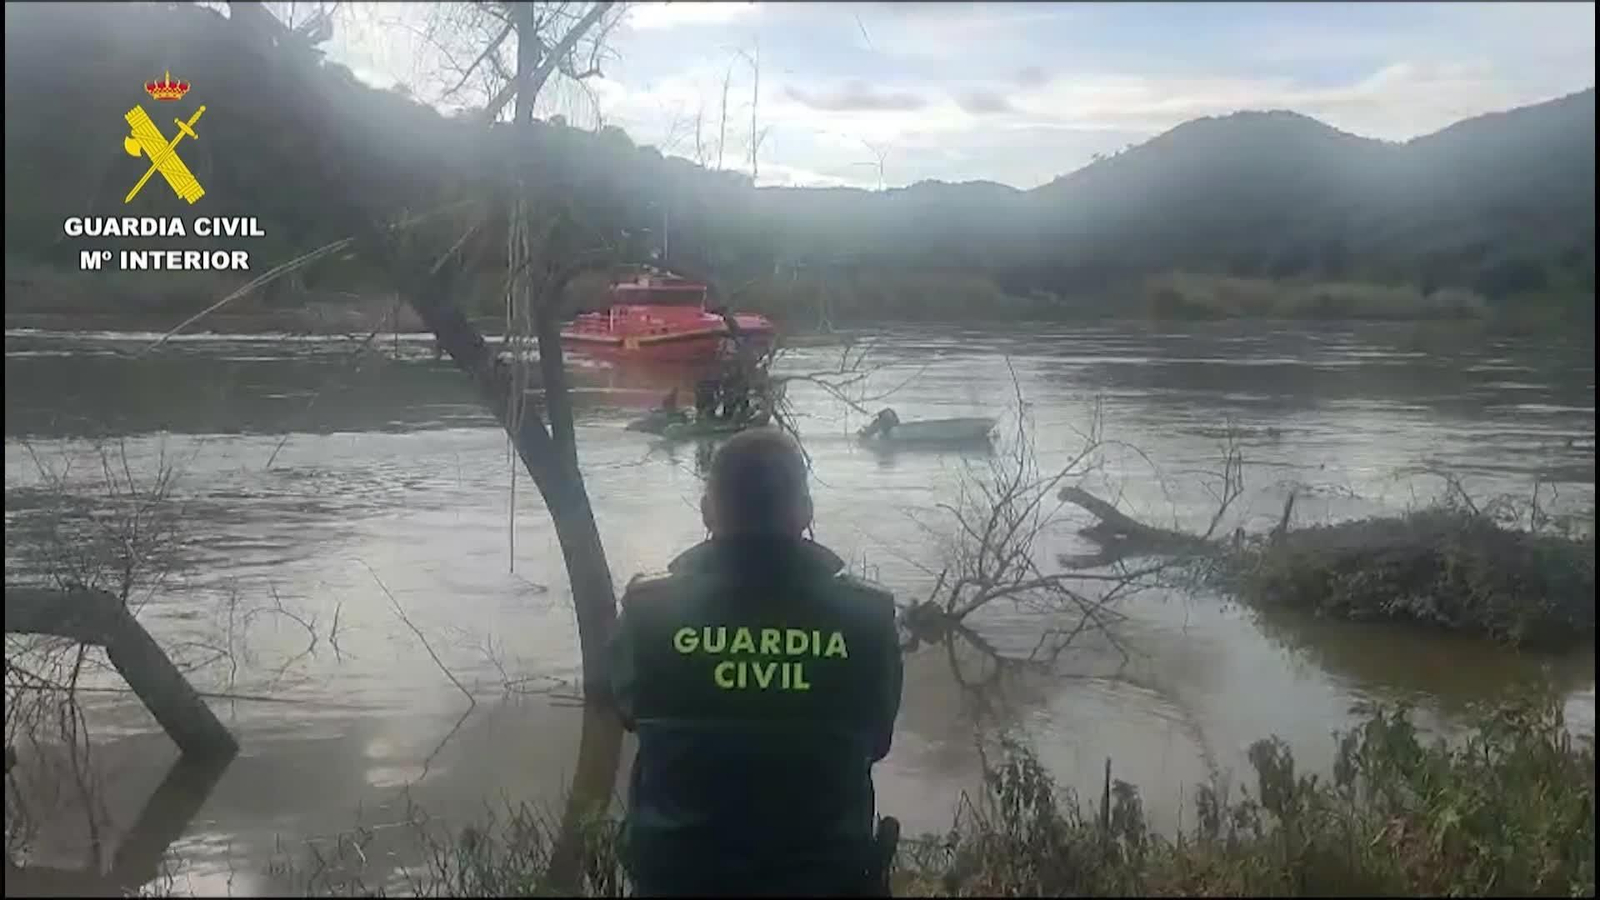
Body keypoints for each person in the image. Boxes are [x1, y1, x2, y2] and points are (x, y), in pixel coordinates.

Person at [609, 428, 904, 897]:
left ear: (708, 511)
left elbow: (628, 711)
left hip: (681, 879)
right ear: (805, 512)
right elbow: (877, 739)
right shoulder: (867, 615)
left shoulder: (650, 610)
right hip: (825, 878)